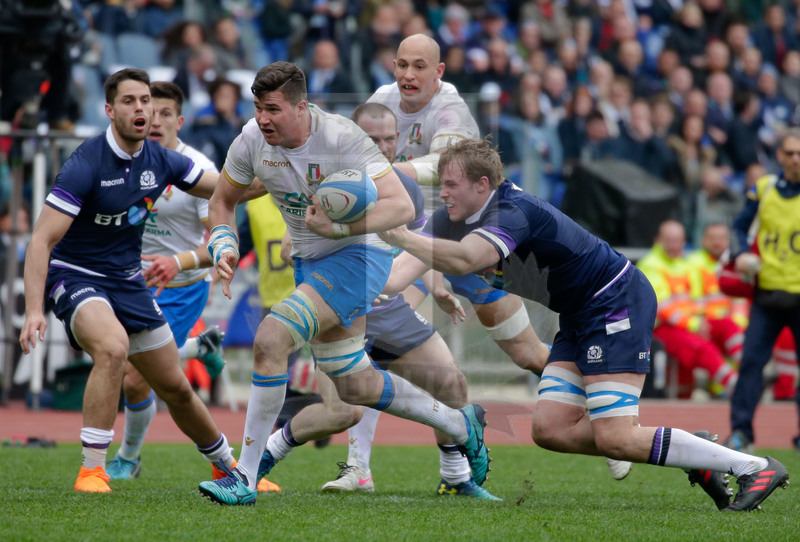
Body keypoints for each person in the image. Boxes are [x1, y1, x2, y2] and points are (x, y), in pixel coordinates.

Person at [380, 138, 789, 513]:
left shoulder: (511, 211)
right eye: (442, 184)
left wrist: (404, 236)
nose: (443, 193)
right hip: (580, 314)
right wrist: (352, 259)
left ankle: (754, 467)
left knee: (616, 437)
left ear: (482, 184)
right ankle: (695, 453)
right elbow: (397, 277)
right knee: (550, 429)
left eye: (451, 185)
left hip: (615, 302)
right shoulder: (451, 217)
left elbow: (469, 259)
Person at [197, 62, 489, 506]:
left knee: (271, 339)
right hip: (310, 264)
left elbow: (402, 207)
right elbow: (222, 200)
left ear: (301, 107)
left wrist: (337, 229)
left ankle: (244, 477)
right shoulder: (251, 140)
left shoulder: (340, 138)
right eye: (258, 108)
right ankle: (459, 424)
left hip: (358, 257)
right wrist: (223, 244)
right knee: (354, 387)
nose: (262, 118)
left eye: (273, 109)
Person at [367, 32, 625, 478]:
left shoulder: (451, 108)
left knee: (526, 353)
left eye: (419, 66)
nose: (409, 74)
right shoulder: (380, 100)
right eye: (402, 64)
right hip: (420, 242)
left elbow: (438, 170)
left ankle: (607, 415)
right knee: (376, 337)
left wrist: (384, 171)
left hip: (474, 245)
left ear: (438, 71)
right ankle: (362, 468)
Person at [257, 102, 500, 500]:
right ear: (354, 138)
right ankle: (267, 457)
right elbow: (288, 248)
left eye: (389, 139)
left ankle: (455, 478)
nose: (383, 147)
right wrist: (334, 240)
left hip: (387, 308)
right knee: (342, 411)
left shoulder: (403, 188)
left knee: (452, 383)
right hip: (337, 308)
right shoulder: (330, 183)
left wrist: (437, 285)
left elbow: (419, 243)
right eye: (372, 139)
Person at [19, 68, 236, 493]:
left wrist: (277, 173)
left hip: (128, 280)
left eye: (145, 101)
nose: (141, 109)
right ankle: (92, 470)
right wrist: (32, 311)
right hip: (76, 275)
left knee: (174, 385)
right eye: (129, 101)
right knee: (113, 348)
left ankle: (227, 466)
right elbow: (41, 240)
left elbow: (226, 189)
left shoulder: (161, 159)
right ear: (109, 110)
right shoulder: (86, 163)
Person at [101, 81, 279, 492]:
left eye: (165, 114)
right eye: (150, 111)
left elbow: (216, 235)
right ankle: (200, 349)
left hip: (180, 286)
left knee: (135, 375)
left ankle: (128, 458)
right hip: (130, 282)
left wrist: (178, 262)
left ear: (179, 121)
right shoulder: (124, 161)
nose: (155, 120)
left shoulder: (193, 168)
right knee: (119, 358)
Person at [725, 129, 800, 455]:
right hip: (767, 295)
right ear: (779, 155)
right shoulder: (764, 188)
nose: (795, 159)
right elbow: (739, 227)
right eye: (790, 153)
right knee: (751, 365)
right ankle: (741, 433)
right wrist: (740, 253)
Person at [637, 220, 739, 398]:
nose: (674, 246)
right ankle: (737, 387)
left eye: (677, 241)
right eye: (669, 240)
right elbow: (663, 307)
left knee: (727, 326)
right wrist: (694, 324)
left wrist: (700, 320)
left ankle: (750, 370)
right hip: (661, 328)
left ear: (684, 242)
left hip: (687, 324)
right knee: (702, 346)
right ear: (658, 241)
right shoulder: (650, 265)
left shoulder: (684, 265)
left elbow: (697, 301)